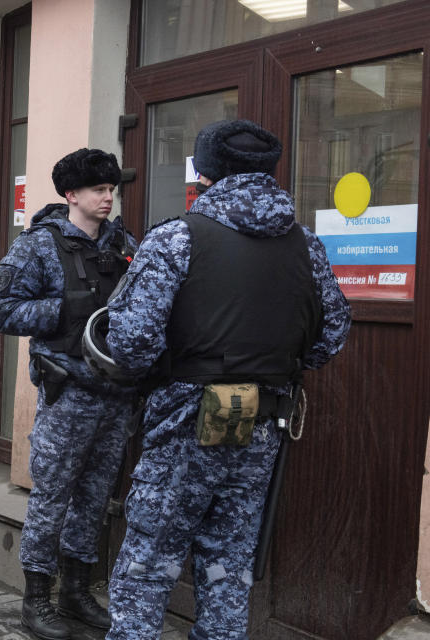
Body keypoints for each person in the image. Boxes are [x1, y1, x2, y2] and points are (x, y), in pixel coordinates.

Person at [95, 120, 352, 639]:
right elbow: (330, 338)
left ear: (205, 172)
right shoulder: (306, 245)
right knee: (228, 573)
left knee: (146, 572)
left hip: (182, 426)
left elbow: (131, 344)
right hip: (262, 423)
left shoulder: (177, 237)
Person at [0, 148, 136, 639]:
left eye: (111, 189)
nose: (107, 198)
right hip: (69, 393)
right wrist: (63, 309)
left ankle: (75, 591)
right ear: (71, 195)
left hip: (115, 394)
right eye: (98, 190)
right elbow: (1, 310)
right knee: (51, 498)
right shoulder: (39, 246)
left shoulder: (122, 244)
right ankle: (35, 599)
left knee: (94, 499)